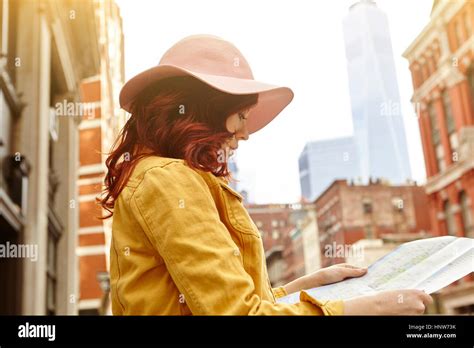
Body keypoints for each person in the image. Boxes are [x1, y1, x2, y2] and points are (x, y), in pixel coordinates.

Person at [99, 34, 432, 315]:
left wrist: (307, 285)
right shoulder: (169, 180)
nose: (246, 133)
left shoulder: (167, 177)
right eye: (242, 116)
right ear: (205, 108)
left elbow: (227, 302)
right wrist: (364, 308)